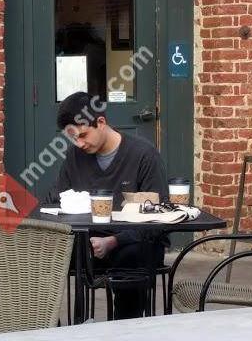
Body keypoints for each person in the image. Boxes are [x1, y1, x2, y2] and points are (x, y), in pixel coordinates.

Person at [46, 91, 168, 319]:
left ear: (101, 122)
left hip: (136, 243)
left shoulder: (144, 156)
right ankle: (59, 328)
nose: (79, 144)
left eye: (83, 135)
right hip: (88, 243)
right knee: (42, 256)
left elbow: (159, 218)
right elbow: (57, 202)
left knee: (132, 257)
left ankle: (124, 329)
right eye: (74, 139)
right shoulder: (75, 157)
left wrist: (113, 241)